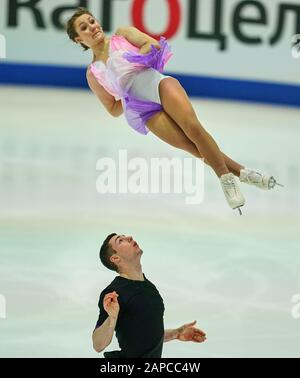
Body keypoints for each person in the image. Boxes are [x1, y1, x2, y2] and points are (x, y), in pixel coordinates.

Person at [66, 7, 282, 214]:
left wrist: (135, 59)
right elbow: (112, 108)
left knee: (194, 129)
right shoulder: (93, 73)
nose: (92, 27)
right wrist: (124, 93)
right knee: (190, 146)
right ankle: (243, 174)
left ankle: (228, 179)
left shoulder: (122, 34)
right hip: (141, 108)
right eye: (84, 27)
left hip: (156, 84)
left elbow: (152, 45)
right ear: (78, 40)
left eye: (91, 21)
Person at [93, 233, 207, 358]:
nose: (129, 237)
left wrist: (177, 333)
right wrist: (112, 318)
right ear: (115, 258)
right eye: (120, 240)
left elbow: (146, 336)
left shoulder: (150, 288)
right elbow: (98, 345)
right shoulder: (113, 293)